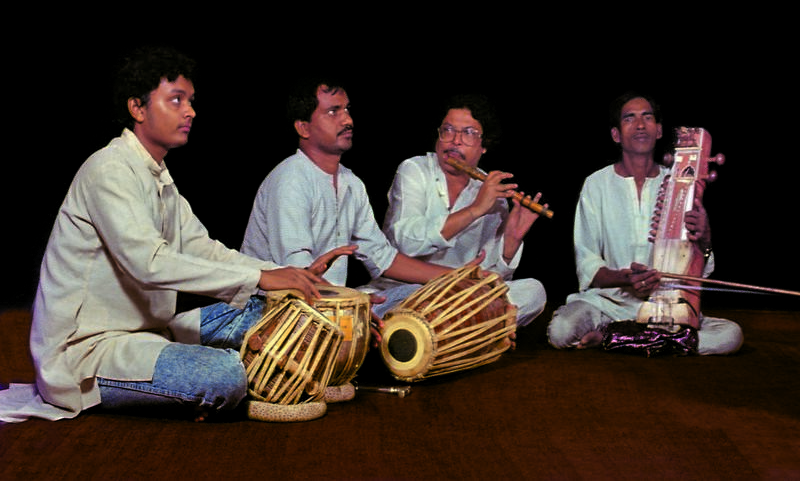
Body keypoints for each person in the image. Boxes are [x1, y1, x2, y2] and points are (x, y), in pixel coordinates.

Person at [0, 47, 340, 423]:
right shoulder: (108, 170)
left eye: (190, 101)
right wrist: (260, 277)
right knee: (223, 375)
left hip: (152, 333)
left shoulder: (159, 179)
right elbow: (148, 264)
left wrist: (288, 276)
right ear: (138, 108)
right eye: (176, 100)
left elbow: (205, 249)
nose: (190, 111)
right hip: (89, 350)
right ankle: (254, 373)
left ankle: (267, 365)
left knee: (272, 310)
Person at [546, 93, 742, 355]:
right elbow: (588, 263)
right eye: (630, 118)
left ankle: (617, 338)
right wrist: (625, 279)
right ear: (616, 134)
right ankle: (655, 340)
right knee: (561, 331)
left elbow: (699, 272)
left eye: (647, 117)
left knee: (731, 335)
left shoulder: (680, 186)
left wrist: (705, 238)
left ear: (659, 130)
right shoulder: (596, 184)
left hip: (667, 304)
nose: (640, 125)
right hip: (608, 304)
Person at [241, 81, 456, 319]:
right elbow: (298, 273)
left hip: (333, 303)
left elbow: (383, 258)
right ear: (303, 128)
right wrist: (351, 304)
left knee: (426, 295)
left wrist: (455, 277)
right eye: (333, 111)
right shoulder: (291, 179)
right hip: (275, 311)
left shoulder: (351, 183)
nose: (348, 120)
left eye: (347, 110)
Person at [380, 95, 547, 327]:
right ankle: (471, 327)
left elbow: (489, 278)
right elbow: (407, 242)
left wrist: (511, 240)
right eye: (448, 130)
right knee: (389, 304)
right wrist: (475, 209)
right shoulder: (414, 170)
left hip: (458, 297)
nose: (455, 141)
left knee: (534, 291)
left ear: (484, 145)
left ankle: (446, 329)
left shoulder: (493, 194)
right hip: (407, 292)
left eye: (468, 133)